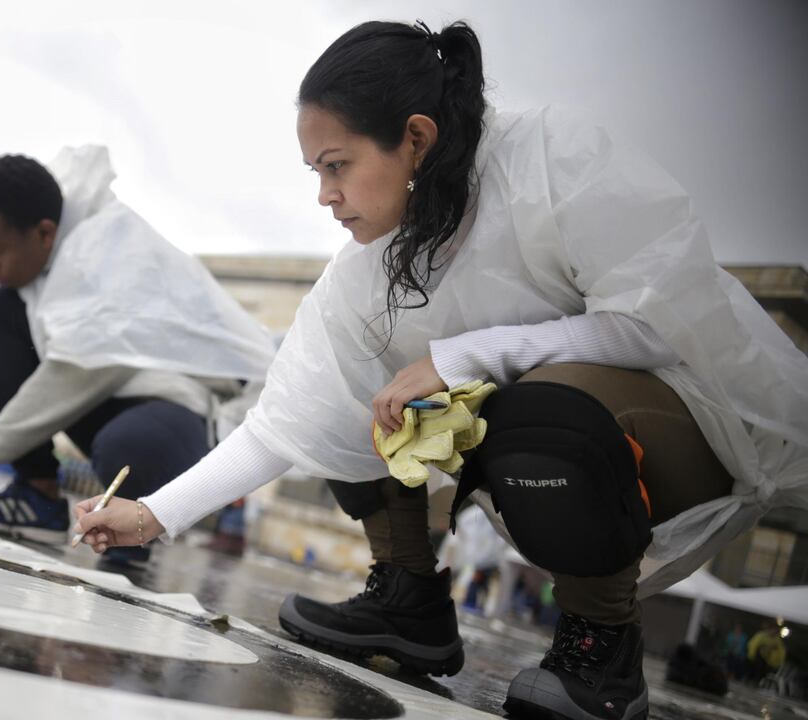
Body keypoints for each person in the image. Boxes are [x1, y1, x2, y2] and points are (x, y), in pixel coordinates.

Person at [74, 20, 808, 720]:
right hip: (550, 440)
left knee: (540, 413)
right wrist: (151, 516)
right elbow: (283, 421)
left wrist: (462, 357)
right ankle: (407, 597)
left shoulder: (551, 161)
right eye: (316, 171)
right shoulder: (372, 263)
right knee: (342, 397)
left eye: (337, 166)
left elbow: (656, 329)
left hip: (693, 431)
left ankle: (601, 644)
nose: (324, 194)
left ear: (417, 139)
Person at [0, 149, 274, 549]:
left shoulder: (112, 264)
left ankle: (139, 531)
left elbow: (62, 381)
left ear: (45, 233)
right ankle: (37, 497)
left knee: (129, 445)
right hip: (106, 402)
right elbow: (3, 389)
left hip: (183, 417)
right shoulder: (43, 280)